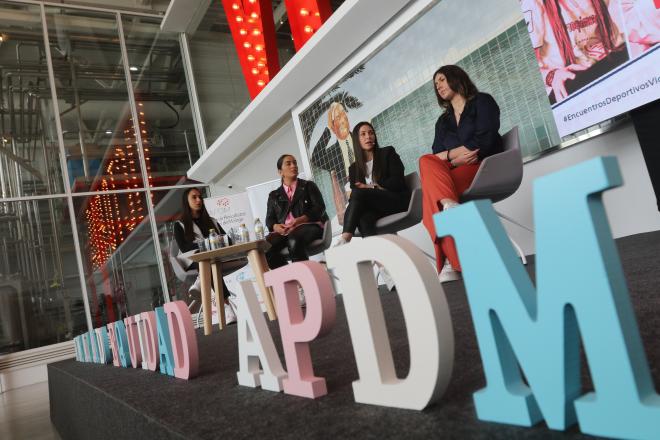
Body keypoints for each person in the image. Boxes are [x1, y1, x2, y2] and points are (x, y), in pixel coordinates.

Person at [419, 65, 504, 283]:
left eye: (442, 80)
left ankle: (451, 262)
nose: (438, 86)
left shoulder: (482, 102)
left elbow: (483, 141)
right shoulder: (443, 121)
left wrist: (449, 157)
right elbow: (436, 155)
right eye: (435, 84)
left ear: (456, 78)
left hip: (483, 167)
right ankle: (451, 208)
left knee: (431, 198)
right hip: (457, 170)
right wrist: (455, 157)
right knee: (424, 161)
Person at [521, 0, 627, 103]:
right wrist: (552, 76)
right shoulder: (532, 4)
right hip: (573, 87)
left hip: (608, 72)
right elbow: (526, 71)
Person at [335, 121, 411, 245]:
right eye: (363, 134)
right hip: (375, 209)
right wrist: (367, 190)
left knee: (359, 192)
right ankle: (378, 258)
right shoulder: (353, 168)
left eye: (371, 133)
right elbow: (356, 200)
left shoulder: (387, 153)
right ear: (356, 140)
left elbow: (398, 182)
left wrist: (373, 187)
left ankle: (345, 238)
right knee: (363, 219)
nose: (368, 137)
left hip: (397, 201)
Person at [174, 187, 237, 324]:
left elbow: (228, 240)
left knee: (210, 263)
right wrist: (209, 243)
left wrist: (211, 243)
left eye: (200, 197)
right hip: (192, 260)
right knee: (208, 263)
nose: (198, 200)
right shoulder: (179, 225)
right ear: (186, 201)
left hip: (214, 259)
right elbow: (184, 248)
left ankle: (200, 281)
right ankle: (227, 307)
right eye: (194, 197)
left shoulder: (212, 221)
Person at [265, 154, 329, 269]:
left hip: (310, 226)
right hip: (285, 231)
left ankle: (304, 279)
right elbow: (269, 219)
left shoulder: (308, 186)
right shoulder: (274, 195)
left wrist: (301, 220)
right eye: (288, 163)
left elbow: (320, 208)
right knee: (265, 247)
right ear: (280, 172)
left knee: (294, 239)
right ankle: (289, 277)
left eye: (295, 163)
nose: (293, 165)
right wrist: (275, 227)